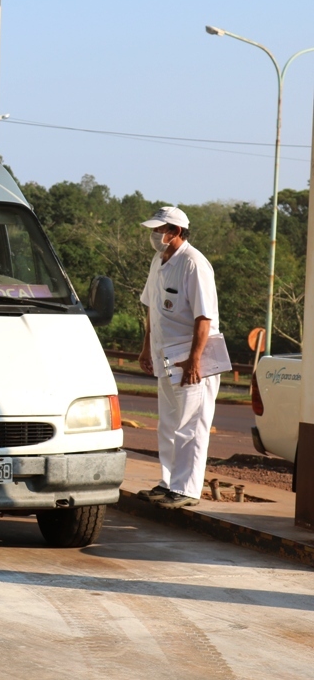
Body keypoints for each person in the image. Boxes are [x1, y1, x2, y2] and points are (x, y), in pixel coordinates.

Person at [136, 206, 219, 509]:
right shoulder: (158, 261)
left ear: (177, 232)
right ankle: (168, 482)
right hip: (165, 354)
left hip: (191, 357)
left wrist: (195, 360)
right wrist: (147, 346)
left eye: (161, 230)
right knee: (169, 422)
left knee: (192, 423)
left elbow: (204, 317)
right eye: (155, 230)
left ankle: (187, 489)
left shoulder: (194, 264)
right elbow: (152, 307)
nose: (155, 235)